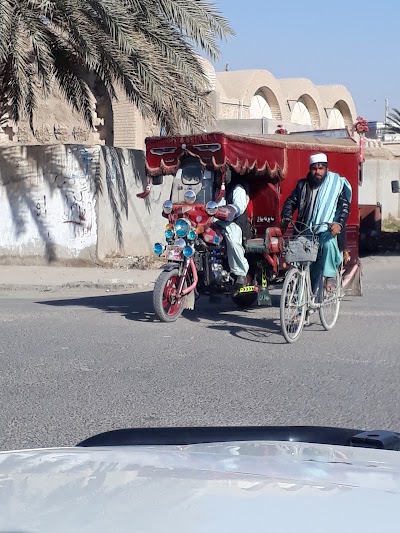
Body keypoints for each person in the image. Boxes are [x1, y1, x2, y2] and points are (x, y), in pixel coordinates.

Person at [281, 153, 351, 295]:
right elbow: (291, 202)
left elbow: (344, 208)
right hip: (305, 230)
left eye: (321, 168)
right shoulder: (302, 185)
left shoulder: (335, 184)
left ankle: (330, 275)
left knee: (328, 244)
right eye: (314, 168)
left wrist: (338, 224)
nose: (318, 172)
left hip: (326, 230)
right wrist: (286, 216)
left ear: (326, 169)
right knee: (302, 267)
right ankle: (303, 306)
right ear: (310, 169)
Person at [215, 174, 250, 287]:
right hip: (213, 220)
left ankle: (240, 273)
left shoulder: (237, 188)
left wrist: (230, 211)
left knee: (233, 241)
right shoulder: (209, 187)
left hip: (232, 221)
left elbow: (240, 205)